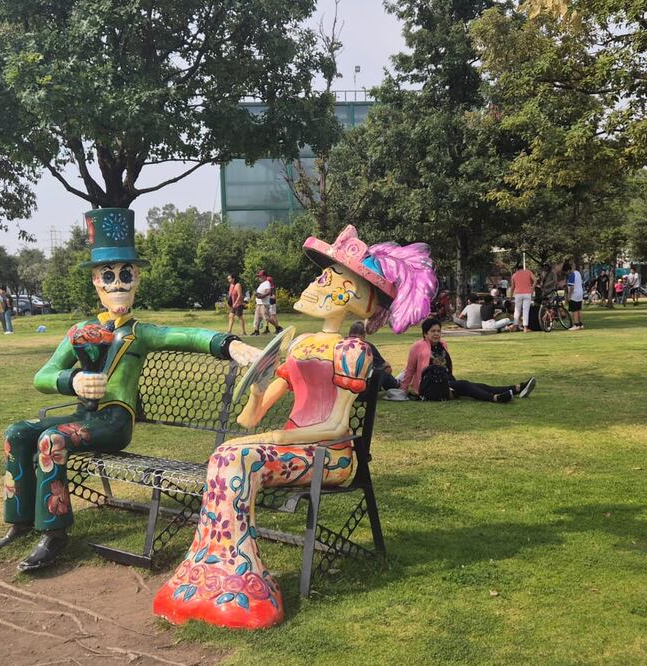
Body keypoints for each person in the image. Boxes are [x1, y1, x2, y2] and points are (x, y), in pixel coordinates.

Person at [154, 225, 437, 629]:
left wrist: (272, 438)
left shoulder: (353, 350)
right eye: (320, 275)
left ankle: (239, 579)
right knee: (227, 454)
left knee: (238, 457)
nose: (314, 283)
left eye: (327, 278)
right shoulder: (300, 344)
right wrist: (255, 385)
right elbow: (250, 417)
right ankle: (211, 573)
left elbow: (338, 424)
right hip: (292, 451)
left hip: (330, 457)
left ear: (353, 296)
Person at [0, 208, 262, 572]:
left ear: (137, 279)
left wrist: (231, 345)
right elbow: (43, 375)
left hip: (114, 423)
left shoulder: (139, 333)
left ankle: (54, 534)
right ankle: (18, 520)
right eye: (109, 275)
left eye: (126, 274)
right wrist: (72, 381)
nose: (118, 283)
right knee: (18, 432)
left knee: (52, 440)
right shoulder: (80, 330)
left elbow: (187, 336)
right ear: (96, 282)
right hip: (84, 416)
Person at [400, 318, 535, 403]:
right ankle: (495, 399)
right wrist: (403, 391)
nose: (436, 334)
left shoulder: (443, 344)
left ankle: (517, 388)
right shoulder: (417, 346)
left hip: (447, 382)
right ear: (425, 333)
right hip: (430, 388)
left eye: (438, 331)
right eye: (432, 331)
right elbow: (410, 370)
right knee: (465, 385)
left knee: (479, 386)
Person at [348, 321, 398, 391]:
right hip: (363, 384)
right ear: (364, 334)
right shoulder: (366, 346)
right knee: (385, 370)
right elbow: (384, 365)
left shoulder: (340, 344)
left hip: (343, 381)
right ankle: (397, 386)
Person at [511, 263, 535, 331]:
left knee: (517, 310)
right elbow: (535, 280)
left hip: (518, 294)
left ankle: (515, 326)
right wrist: (532, 288)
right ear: (523, 267)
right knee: (525, 310)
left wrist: (510, 296)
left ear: (517, 268)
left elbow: (513, 287)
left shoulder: (514, 275)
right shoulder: (528, 272)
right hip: (527, 293)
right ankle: (525, 328)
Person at [564, 262, 584, 330]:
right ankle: (581, 324)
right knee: (579, 309)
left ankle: (576, 325)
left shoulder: (571, 275)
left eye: (566, 272)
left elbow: (571, 287)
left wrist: (569, 296)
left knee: (574, 310)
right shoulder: (577, 272)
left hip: (574, 294)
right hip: (580, 292)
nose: (566, 273)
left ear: (568, 270)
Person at [252, 269, 272, 335]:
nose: (259, 278)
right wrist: (257, 294)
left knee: (266, 318)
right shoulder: (262, 284)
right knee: (257, 318)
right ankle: (256, 331)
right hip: (259, 303)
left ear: (264, 276)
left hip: (264, 304)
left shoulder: (267, 283)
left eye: (260, 276)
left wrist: (262, 296)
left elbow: (268, 292)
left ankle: (278, 327)